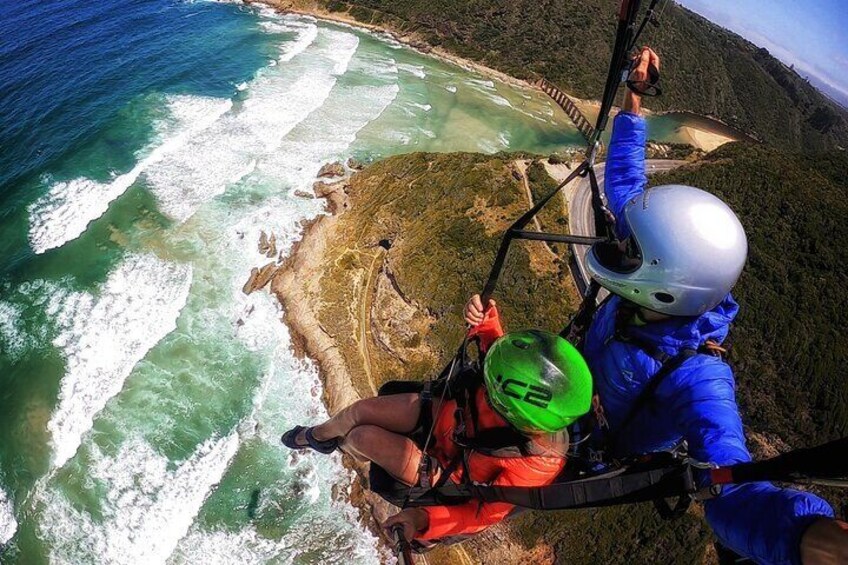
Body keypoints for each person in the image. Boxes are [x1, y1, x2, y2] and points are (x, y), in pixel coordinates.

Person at [466, 47, 848, 565]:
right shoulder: (665, 270)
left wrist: (809, 540)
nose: (622, 249)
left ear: (667, 283)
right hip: (569, 384)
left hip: (589, 441)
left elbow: (731, 488)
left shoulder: (700, 380)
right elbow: (625, 183)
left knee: (469, 467)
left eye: (632, 251)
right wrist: (636, 96)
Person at [281, 307, 593, 544]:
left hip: (441, 468)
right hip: (441, 413)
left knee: (362, 437)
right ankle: (319, 437)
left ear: (513, 413)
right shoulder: (514, 388)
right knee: (359, 411)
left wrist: (420, 519)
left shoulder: (536, 462)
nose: (486, 382)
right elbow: (499, 358)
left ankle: (345, 445)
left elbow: (480, 515)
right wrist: (486, 323)